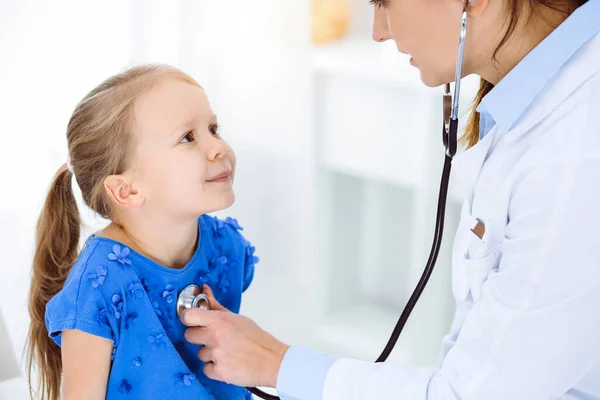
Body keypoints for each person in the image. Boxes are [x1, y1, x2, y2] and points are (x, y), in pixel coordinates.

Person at [181, 0, 600, 398]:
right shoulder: (529, 104)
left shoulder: (576, 152)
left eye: (383, 4)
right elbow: (475, 350)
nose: (379, 32)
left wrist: (275, 363)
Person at [26, 65, 259, 400]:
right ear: (127, 190)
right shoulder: (98, 289)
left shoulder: (226, 246)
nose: (218, 148)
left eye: (213, 129)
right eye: (187, 138)